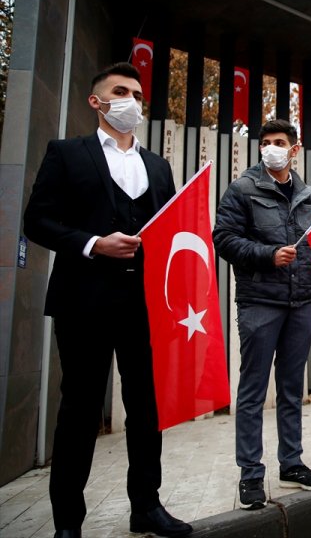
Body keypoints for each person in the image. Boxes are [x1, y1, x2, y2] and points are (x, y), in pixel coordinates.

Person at [23, 63, 192, 538]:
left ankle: (147, 507)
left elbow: (172, 231)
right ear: (96, 101)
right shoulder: (66, 154)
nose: (132, 101)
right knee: (79, 410)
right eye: (120, 91)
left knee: (145, 408)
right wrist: (93, 242)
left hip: (144, 305)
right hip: (84, 301)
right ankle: (68, 525)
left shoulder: (157, 166)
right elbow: (37, 221)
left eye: (137, 93)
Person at [213, 119, 311, 509]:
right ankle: (250, 475)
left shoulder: (308, 194)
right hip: (259, 303)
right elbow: (224, 239)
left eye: (280, 142)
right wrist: (267, 255)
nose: (271, 148)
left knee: (291, 389)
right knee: (252, 392)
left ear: (294, 149)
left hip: (300, 305)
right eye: (265, 143)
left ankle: (292, 464)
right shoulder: (243, 188)